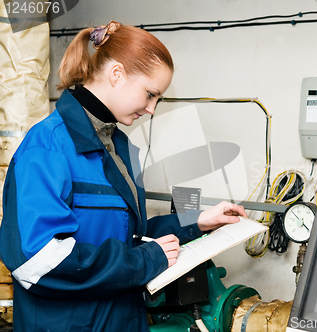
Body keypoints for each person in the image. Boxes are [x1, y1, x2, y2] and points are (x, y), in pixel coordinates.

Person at [0, 21, 247, 331]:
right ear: (116, 75)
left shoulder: (120, 147)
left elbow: (129, 236)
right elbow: (38, 261)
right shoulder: (48, 148)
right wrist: (145, 261)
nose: (152, 109)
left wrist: (196, 221)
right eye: (150, 94)